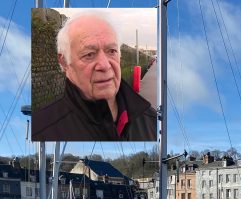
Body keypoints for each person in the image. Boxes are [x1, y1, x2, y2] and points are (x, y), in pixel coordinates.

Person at [32, 12, 156, 142]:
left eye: (111, 51)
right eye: (89, 54)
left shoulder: (151, 121)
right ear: (64, 62)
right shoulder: (40, 130)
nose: (105, 65)